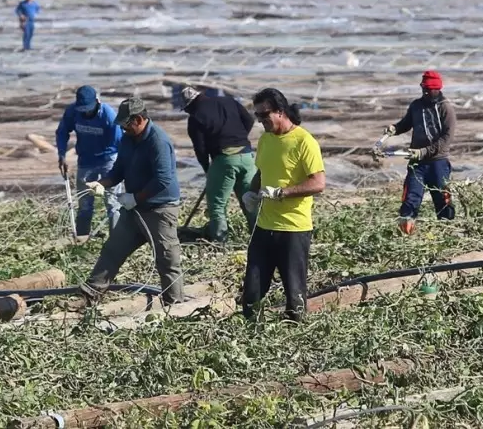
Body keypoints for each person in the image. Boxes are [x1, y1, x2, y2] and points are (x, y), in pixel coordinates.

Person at [80, 97, 184, 307]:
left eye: (127, 125)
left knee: (166, 259)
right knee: (113, 250)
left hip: (160, 210)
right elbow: (119, 170)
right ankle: (89, 296)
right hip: (134, 210)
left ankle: (175, 306)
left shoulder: (158, 141)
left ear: (138, 119)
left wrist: (135, 198)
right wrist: (101, 184)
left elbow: (163, 179)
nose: (124, 129)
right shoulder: (128, 139)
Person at [240, 88, 325, 322]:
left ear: (280, 111)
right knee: (252, 291)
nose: (261, 121)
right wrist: (251, 191)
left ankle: (295, 341)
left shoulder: (304, 141)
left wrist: (282, 192)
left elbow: (318, 183)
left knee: (294, 294)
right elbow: (261, 171)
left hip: (293, 229)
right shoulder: (266, 139)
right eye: (257, 116)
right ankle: (252, 335)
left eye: (264, 115)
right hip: (264, 225)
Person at [178, 85, 257, 243]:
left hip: (224, 160)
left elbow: (200, 149)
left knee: (217, 205)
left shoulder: (195, 117)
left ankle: (220, 242)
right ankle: (260, 238)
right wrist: (238, 138)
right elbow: (249, 120)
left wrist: (209, 169)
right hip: (247, 156)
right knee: (250, 200)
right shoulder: (228, 101)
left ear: (190, 104)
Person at [384, 70, 457, 236]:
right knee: (410, 199)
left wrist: (424, 151)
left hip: (437, 162)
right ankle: (405, 235)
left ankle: (448, 235)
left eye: (429, 89)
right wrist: (394, 129)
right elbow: (406, 123)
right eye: (423, 88)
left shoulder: (446, 109)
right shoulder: (416, 106)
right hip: (417, 164)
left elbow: (446, 138)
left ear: (437, 89)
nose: (425, 92)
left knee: (443, 200)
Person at [55, 85, 123, 237]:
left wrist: (122, 167)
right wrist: (61, 155)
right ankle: (82, 237)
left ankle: (117, 240)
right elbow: (62, 131)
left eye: (88, 108)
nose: (86, 112)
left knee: (112, 203)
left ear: (97, 102)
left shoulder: (108, 116)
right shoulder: (73, 112)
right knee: (84, 202)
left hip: (108, 160)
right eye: (82, 109)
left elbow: (120, 143)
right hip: (86, 161)